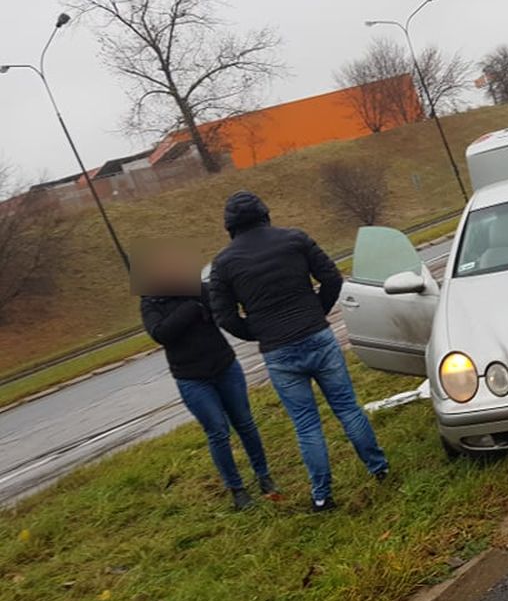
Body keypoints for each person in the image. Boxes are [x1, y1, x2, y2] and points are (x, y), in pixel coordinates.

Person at [209, 191, 388, 512]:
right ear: (265, 214)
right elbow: (332, 278)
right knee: (347, 408)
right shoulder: (294, 239)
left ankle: (322, 495)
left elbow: (224, 317)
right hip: (316, 335)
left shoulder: (223, 264)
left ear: (230, 226)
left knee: (306, 424)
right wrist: (316, 312)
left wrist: (259, 331)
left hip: (278, 352)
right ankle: (380, 469)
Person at [137, 242, 277, 511]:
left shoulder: (198, 289)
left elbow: (219, 311)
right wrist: (191, 310)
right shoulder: (150, 303)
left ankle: (264, 476)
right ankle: (237, 490)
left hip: (225, 366)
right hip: (192, 379)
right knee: (218, 432)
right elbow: (161, 333)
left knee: (245, 423)